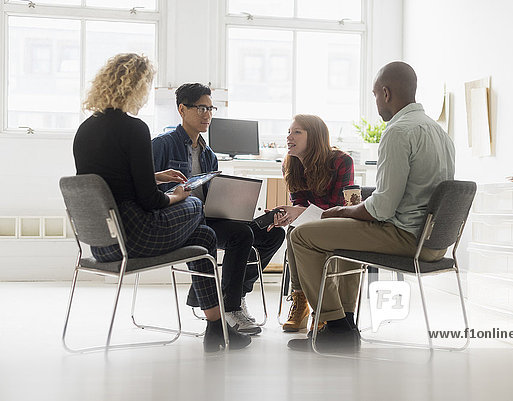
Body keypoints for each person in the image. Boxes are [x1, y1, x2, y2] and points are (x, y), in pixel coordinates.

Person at [72, 53, 251, 352]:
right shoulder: (134, 128)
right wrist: (176, 195)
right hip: (136, 236)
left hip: (103, 242)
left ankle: (216, 328)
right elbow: (149, 201)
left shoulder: (86, 129)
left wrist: (153, 175)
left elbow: (111, 183)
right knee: (194, 205)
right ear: (137, 86)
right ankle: (218, 324)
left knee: (205, 236)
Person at [287, 61, 456, 352]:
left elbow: (382, 209)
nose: (376, 101)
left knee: (301, 236)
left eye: (375, 94)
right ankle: (347, 322)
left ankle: (335, 326)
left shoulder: (398, 131)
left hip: (407, 237)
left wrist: (341, 211)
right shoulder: (439, 132)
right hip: (435, 241)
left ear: (386, 93)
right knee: (346, 231)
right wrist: (353, 213)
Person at [152, 83, 286, 335]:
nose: (207, 114)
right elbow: (148, 188)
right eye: (201, 108)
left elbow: (212, 195)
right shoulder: (162, 145)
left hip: (208, 217)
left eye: (210, 108)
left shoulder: (208, 154)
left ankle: (233, 295)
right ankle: (230, 307)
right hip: (180, 219)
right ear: (182, 109)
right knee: (241, 235)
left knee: (272, 233)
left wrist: (239, 207)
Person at [269, 114, 354, 332]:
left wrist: (298, 212)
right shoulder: (291, 164)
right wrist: (286, 215)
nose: (289, 137)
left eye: (297, 132)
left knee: (299, 231)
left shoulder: (341, 161)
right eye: (289, 131)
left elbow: (338, 208)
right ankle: (301, 302)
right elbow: (298, 202)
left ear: (314, 136)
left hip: (338, 221)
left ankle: (320, 308)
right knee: (293, 230)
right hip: (311, 223)